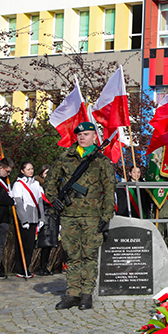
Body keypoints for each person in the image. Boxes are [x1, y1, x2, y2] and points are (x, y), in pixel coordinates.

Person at [44, 122, 116, 310]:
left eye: (86, 134)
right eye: (80, 134)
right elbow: (50, 180)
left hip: (92, 215)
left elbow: (109, 190)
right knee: (72, 256)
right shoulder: (65, 157)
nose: (82, 137)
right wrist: (54, 199)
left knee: (89, 256)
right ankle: (72, 294)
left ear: (94, 137)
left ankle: (86, 295)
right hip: (69, 214)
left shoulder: (101, 160)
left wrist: (106, 215)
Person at [11, 161, 44, 279]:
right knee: (22, 245)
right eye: (28, 169)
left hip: (34, 217)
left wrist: (42, 218)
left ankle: (27, 267)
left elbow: (40, 202)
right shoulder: (18, 184)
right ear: (22, 171)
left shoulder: (36, 184)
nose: (31, 171)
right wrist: (24, 220)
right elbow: (18, 203)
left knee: (30, 245)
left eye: (32, 169)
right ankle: (21, 269)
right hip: (24, 218)